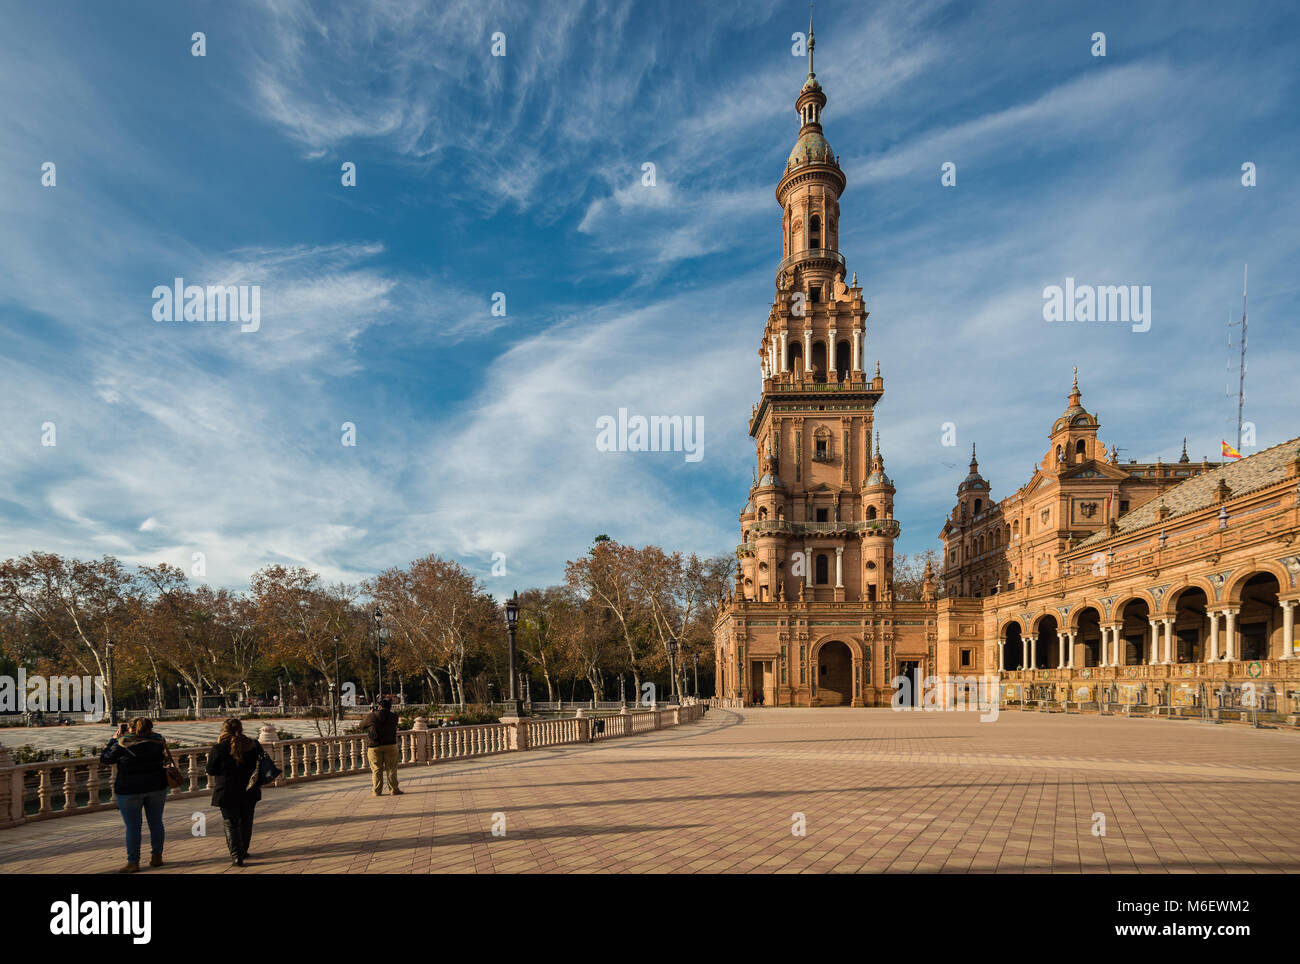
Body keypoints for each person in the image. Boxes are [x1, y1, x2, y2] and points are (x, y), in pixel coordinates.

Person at [100, 717, 169, 873]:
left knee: (133, 827)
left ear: (131, 729)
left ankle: (133, 862)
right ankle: (157, 857)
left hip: (129, 789)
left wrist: (113, 740)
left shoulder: (123, 743)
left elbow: (105, 758)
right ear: (150, 728)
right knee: (156, 823)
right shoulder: (159, 740)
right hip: (156, 786)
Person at [205, 717, 267, 867]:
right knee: (246, 821)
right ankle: (243, 850)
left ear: (224, 730)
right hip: (249, 790)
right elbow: (261, 764)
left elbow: (210, 770)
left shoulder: (219, 748)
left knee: (231, 823)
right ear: (241, 728)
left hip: (227, 791)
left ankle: (236, 856)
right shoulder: (252, 745)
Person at [359, 697, 402, 796]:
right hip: (390, 745)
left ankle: (377, 791)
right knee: (391, 769)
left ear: (379, 706)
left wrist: (370, 714)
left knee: (376, 769)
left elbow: (361, 726)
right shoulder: (394, 716)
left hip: (374, 746)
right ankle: (394, 790)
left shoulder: (371, 716)